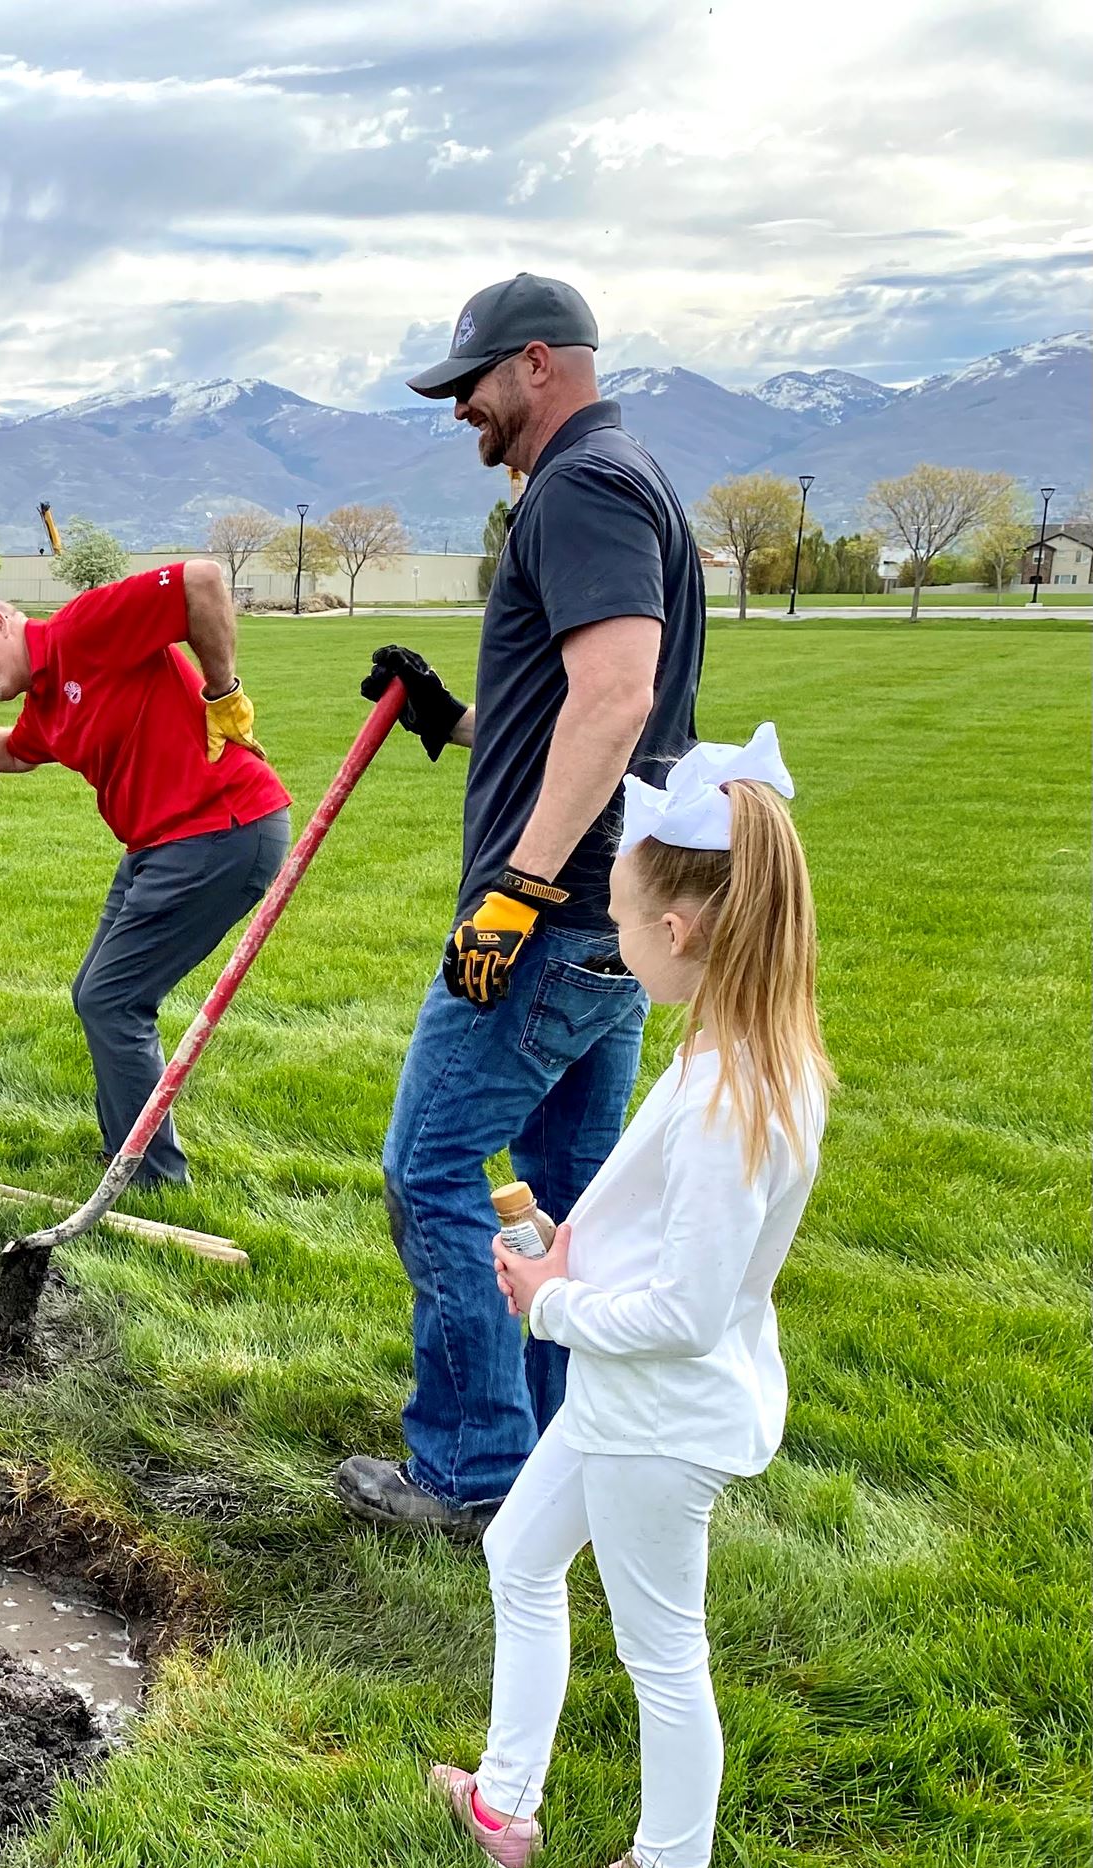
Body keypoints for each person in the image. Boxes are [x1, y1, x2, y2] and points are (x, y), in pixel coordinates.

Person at [428, 725, 829, 1868]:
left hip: (659, 1415)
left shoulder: (726, 1094)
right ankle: (504, 1805)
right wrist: (567, 1244)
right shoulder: (729, 1046)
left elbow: (691, 1307)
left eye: (617, 916)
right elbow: (665, 1240)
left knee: (662, 1649)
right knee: (517, 1554)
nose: (608, 938)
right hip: (619, 1397)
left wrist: (550, 1304)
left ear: (683, 929)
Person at [337, 274, 706, 1539]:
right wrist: (448, 719)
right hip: (613, 911)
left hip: (556, 916)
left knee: (428, 1163)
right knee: (569, 1186)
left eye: (470, 388)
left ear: (536, 364)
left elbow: (615, 696)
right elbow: (570, 708)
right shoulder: (626, 474)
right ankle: (561, 1451)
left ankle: (470, 1467)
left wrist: (514, 888)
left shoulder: (580, 487)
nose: (460, 414)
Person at [0, 560, 288, 1186]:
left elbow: (201, 581)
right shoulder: (45, 704)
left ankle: (151, 1179)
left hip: (221, 827)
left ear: (1, 620)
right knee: (95, 991)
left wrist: (221, 692)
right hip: (158, 843)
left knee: (112, 999)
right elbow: (14, 751)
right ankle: (127, 1149)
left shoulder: (83, 628)